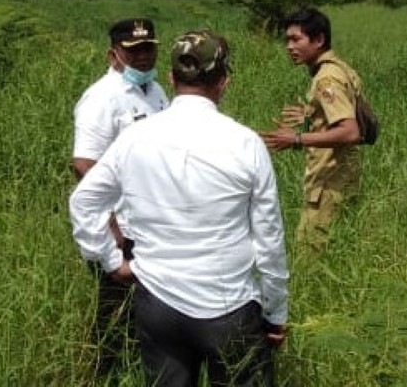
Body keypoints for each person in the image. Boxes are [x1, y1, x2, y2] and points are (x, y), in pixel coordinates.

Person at [70, 30, 289, 386]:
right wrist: (275, 311)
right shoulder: (245, 143)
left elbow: (84, 200)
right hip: (228, 304)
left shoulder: (136, 137)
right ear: (224, 81)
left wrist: (111, 262)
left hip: (158, 304)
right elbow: (269, 238)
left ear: (172, 78)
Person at [72, 17, 169, 375]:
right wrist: (112, 227)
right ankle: (104, 377)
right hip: (121, 228)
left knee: (148, 314)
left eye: (148, 49)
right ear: (113, 55)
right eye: (134, 51)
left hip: (152, 221)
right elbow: (84, 164)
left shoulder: (156, 92)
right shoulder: (102, 98)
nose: (143, 56)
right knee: (115, 317)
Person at [261, 7, 365, 253]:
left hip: (329, 182)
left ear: (318, 40)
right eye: (287, 40)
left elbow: (351, 131)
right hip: (343, 177)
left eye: (296, 39)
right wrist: (312, 115)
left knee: (311, 253)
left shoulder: (327, 79)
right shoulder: (339, 68)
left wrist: (297, 138)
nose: (289, 46)